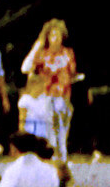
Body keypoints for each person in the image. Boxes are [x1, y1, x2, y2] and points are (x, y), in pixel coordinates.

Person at [18, 20, 79, 157]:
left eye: (58, 35)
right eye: (52, 35)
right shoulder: (42, 54)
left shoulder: (68, 53)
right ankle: (50, 158)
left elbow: (72, 75)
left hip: (63, 96)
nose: (55, 38)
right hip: (46, 97)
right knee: (50, 132)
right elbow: (25, 69)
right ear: (47, 37)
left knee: (62, 133)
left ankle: (62, 160)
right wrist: (37, 46)